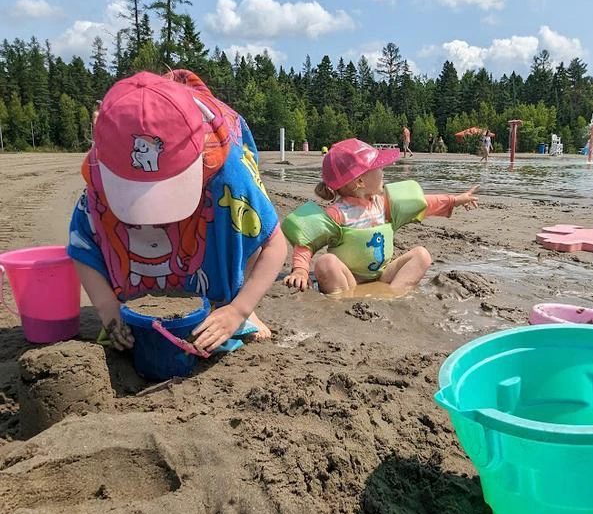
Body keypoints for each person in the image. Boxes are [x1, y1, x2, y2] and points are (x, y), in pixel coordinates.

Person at [67, 70, 286, 354]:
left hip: (216, 153)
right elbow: (82, 246)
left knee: (239, 223)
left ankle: (231, 303)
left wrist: (240, 309)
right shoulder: (99, 179)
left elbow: (273, 241)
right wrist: (109, 309)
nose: (156, 214)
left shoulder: (227, 170)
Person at [282, 138, 478, 295]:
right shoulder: (337, 213)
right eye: (377, 168)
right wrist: (299, 269)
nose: (383, 171)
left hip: (382, 274)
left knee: (421, 255)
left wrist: (454, 200)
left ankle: (393, 292)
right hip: (349, 278)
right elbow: (306, 242)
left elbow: (425, 203)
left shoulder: (382, 204)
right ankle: (344, 295)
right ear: (360, 181)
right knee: (326, 263)